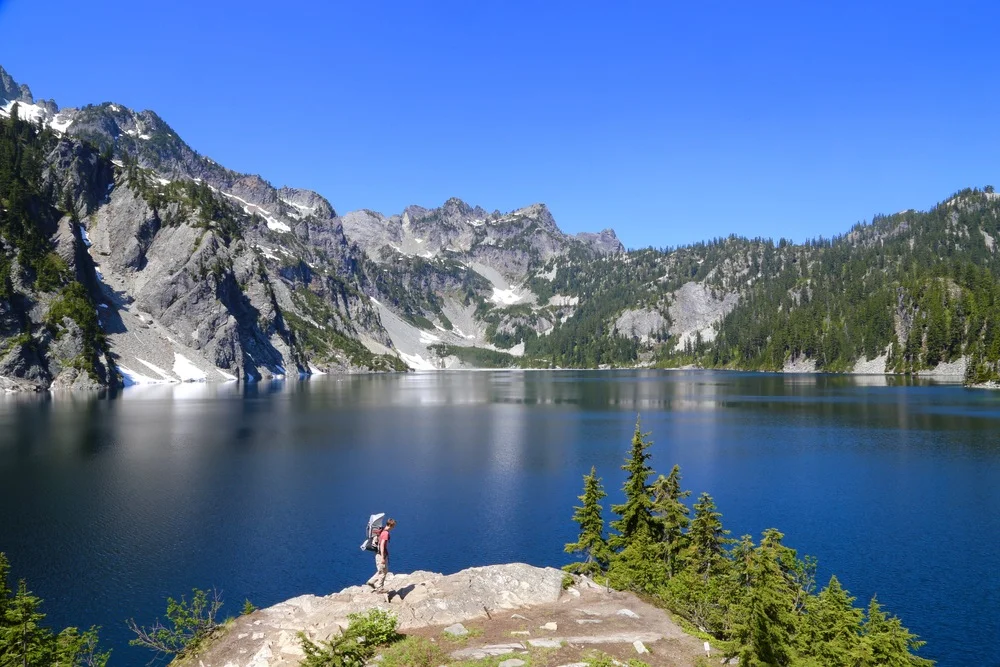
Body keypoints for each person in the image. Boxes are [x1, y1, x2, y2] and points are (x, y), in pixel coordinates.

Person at [366, 518, 395, 593]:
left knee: (381, 570)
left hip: (378, 554)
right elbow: (382, 545)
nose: (393, 528)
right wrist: (382, 557)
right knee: (383, 571)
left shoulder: (382, 530)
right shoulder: (386, 533)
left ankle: (371, 582)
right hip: (381, 555)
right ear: (391, 525)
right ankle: (380, 588)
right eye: (393, 526)